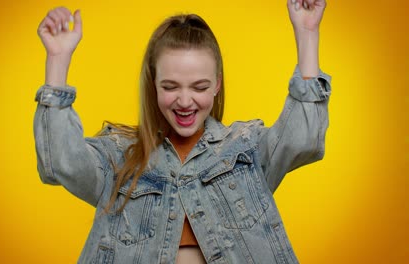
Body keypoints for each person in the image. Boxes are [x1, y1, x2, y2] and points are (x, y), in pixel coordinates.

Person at [34, 0, 330, 263]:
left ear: (217, 84)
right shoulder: (120, 160)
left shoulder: (245, 150)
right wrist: (58, 61)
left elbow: (303, 139)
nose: (185, 101)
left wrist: (307, 34)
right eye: (170, 86)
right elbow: (60, 162)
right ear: (153, 84)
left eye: (199, 87)